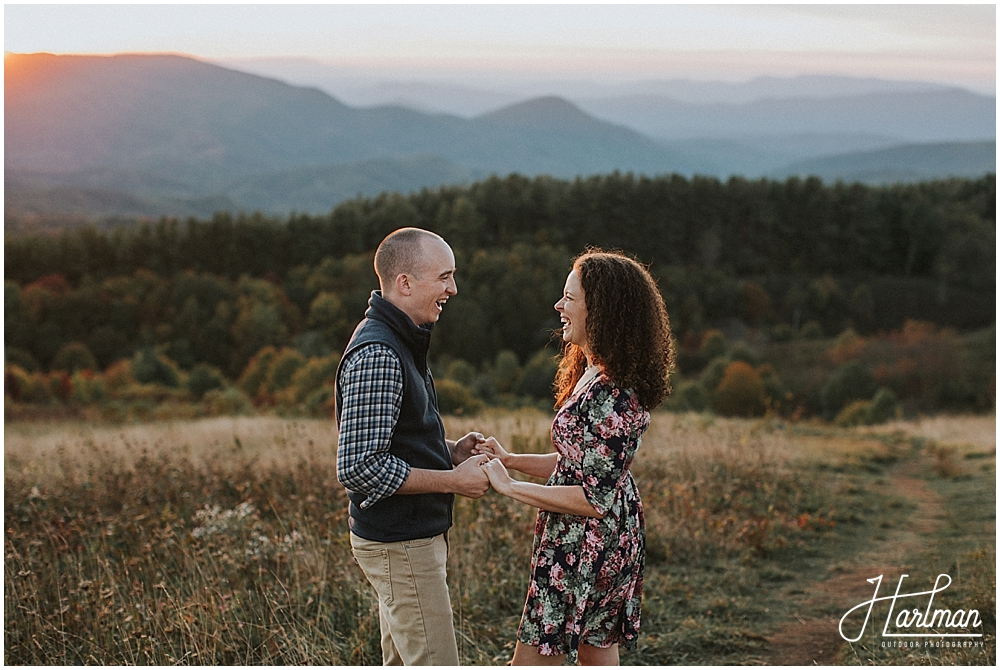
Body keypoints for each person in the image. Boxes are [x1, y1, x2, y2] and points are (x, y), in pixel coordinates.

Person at [475, 249, 675, 665]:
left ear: (599, 310)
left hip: (591, 545)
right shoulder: (591, 373)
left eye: (569, 297)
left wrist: (510, 487)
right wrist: (511, 459)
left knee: (535, 659)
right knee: (593, 654)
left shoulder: (615, 394)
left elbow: (592, 499)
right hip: (580, 539)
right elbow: (574, 464)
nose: (558, 306)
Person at [335, 227, 491, 666]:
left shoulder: (401, 338)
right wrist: (453, 480)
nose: (452, 289)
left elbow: (396, 438)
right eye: (444, 277)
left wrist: (451, 450)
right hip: (401, 543)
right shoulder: (379, 353)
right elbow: (360, 466)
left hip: (405, 539)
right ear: (405, 283)